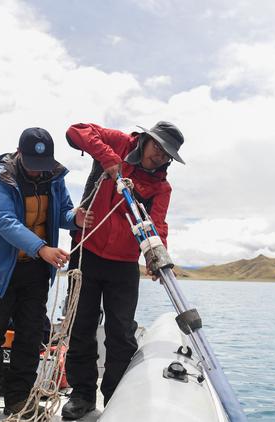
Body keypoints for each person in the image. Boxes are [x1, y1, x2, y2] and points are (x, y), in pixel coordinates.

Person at [62, 121, 185, 419]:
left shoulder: (161, 187)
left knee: (121, 334)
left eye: (166, 155)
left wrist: (157, 257)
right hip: (86, 253)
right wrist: (107, 158)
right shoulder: (118, 143)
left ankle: (116, 398)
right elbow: (75, 131)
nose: (159, 156)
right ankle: (82, 395)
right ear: (146, 139)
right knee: (80, 327)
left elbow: (157, 224)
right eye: (158, 147)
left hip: (124, 265)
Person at [0, 127, 93, 417]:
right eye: (33, 166)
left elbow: (63, 212)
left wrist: (74, 218)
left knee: (29, 336)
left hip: (35, 273)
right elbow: (4, 220)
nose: (39, 172)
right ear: (18, 154)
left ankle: (18, 399)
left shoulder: (54, 177)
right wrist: (43, 249)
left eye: (44, 166)